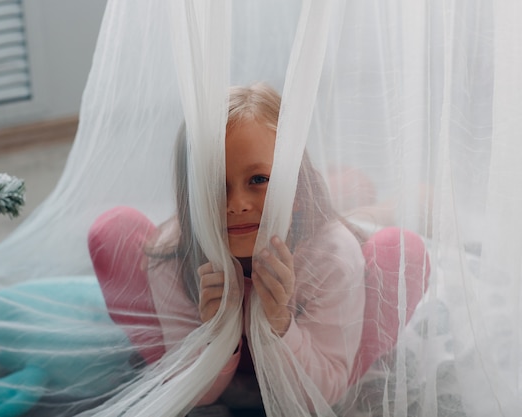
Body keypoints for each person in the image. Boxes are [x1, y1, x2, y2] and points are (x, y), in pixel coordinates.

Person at [90, 83, 368, 415]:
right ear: (189, 196)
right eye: (214, 185)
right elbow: (195, 395)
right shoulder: (174, 255)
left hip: (305, 371)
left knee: (396, 253)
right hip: (219, 383)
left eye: (258, 180)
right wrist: (217, 330)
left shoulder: (331, 255)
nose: (236, 205)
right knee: (111, 233)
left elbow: (320, 396)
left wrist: (279, 322)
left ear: (297, 188)